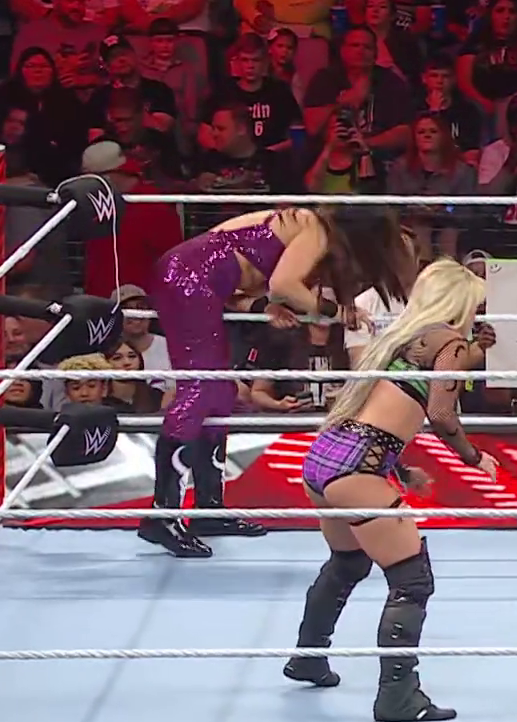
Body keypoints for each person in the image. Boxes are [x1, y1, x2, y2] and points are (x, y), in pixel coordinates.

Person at [287, 259, 497, 722]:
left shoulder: (399, 337)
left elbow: (374, 415)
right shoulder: (449, 342)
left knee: (347, 563)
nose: (479, 314)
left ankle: (308, 657)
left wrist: (398, 470)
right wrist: (473, 456)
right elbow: (441, 414)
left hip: (325, 460)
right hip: (356, 470)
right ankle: (398, 696)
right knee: (412, 579)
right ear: (461, 303)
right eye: (477, 306)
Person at [140, 206, 411, 559]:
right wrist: (337, 312)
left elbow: (237, 278)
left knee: (220, 393)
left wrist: (265, 306)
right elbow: (283, 284)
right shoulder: (314, 226)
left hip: (200, 283)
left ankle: (208, 509)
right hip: (187, 279)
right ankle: (163, 515)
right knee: (200, 391)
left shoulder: (306, 231)